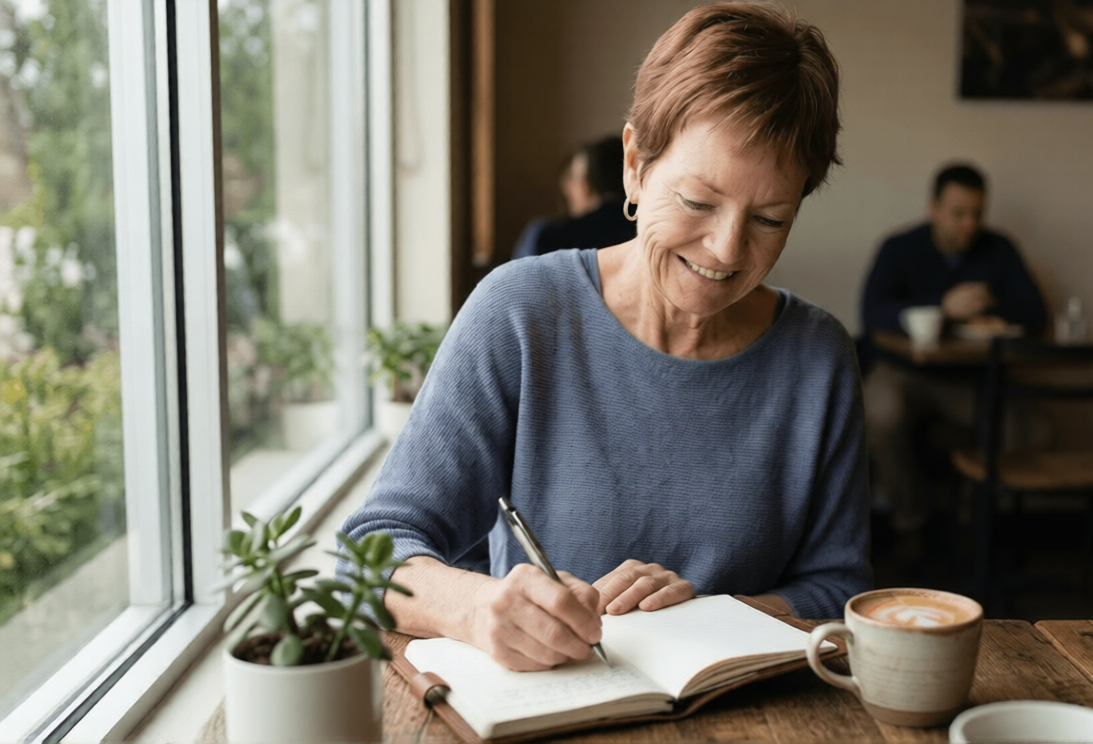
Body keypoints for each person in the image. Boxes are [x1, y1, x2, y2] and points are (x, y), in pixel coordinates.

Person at [339, 3, 871, 672]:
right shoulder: (520, 314)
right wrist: (476, 607)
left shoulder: (818, 356)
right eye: (699, 202)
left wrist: (713, 614)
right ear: (634, 166)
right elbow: (371, 552)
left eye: (769, 219)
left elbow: (841, 589)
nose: (726, 249)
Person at [858, 163, 1047, 546]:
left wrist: (994, 302)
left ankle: (972, 526)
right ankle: (911, 525)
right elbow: (871, 314)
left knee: (1034, 430)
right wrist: (941, 307)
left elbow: (1037, 316)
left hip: (971, 378)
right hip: (903, 371)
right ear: (934, 209)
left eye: (977, 214)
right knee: (879, 414)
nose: (969, 225)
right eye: (958, 214)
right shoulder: (900, 248)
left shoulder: (999, 249)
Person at [510, 135, 637, 260]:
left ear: (585, 186)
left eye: (573, 177)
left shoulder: (546, 237)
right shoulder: (645, 233)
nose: (566, 187)